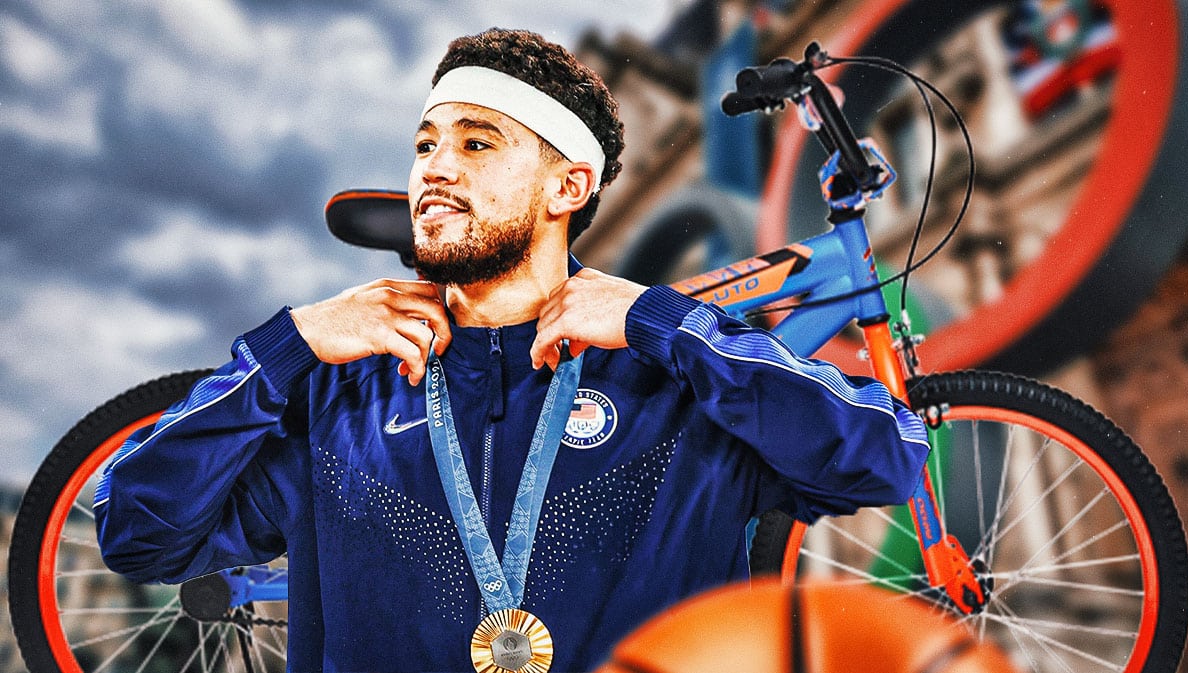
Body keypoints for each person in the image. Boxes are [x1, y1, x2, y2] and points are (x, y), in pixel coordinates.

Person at [95, 28, 931, 673]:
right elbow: (138, 534)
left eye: (476, 142)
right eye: (424, 144)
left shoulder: (679, 377)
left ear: (568, 185)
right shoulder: (337, 399)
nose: (434, 169)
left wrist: (668, 326)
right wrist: (285, 349)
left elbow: (884, 457)